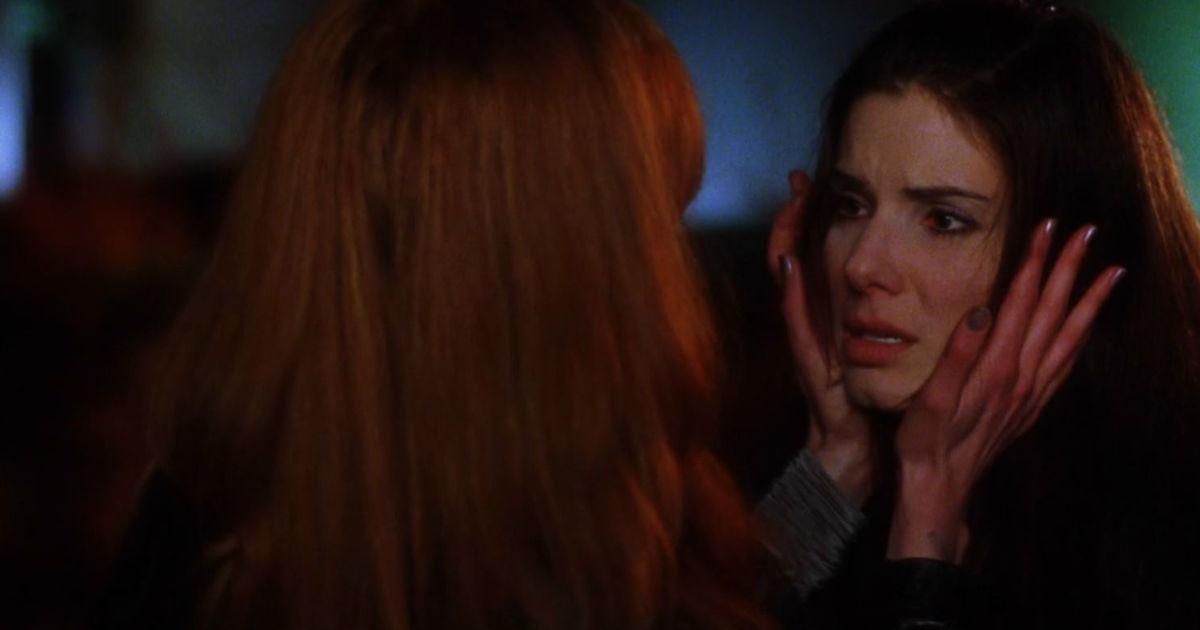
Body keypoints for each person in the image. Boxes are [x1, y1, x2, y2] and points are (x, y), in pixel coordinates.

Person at [91, 0, 772, 627]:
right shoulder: (587, 533)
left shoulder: (207, 523)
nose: (669, 271)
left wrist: (823, 477)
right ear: (555, 272)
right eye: (651, 219)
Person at [762, 0, 1200, 628]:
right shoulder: (792, 454)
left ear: (1069, 261)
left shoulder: (1170, 533)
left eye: (943, 219)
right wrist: (837, 461)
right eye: (851, 205)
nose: (860, 266)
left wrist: (924, 541)